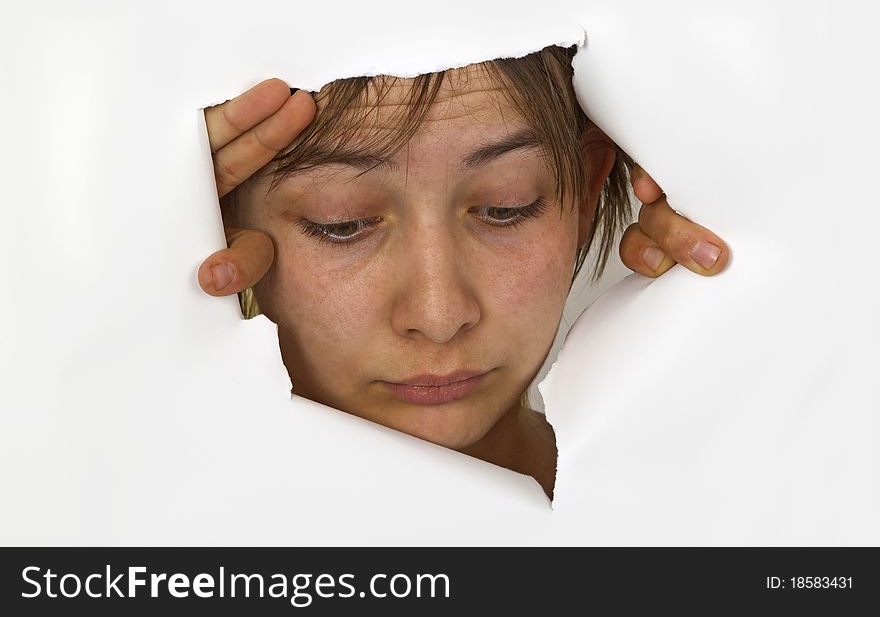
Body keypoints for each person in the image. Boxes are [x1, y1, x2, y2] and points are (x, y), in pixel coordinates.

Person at [197, 46, 729, 499]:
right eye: (343, 222)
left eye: (506, 207)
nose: (440, 315)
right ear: (220, 217)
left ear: (586, 190)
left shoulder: (706, 512)